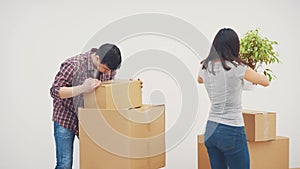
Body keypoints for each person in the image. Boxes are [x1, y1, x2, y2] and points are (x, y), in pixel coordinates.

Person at [197, 28, 270, 169]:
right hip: (231, 130)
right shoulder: (238, 68)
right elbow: (265, 82)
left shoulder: (205, 67)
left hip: (211, 129)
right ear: (234, 46)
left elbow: (200, 80)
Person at [50, 43, 122, 169]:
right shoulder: (73, 65)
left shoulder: (109, 68)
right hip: (66, 117)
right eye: (105, 69)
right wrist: (82, 88)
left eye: (111, 70)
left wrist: (132, 86)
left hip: (89, 118)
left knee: (97, 161)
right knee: (65, 164)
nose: (108, 72)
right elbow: (55, 91)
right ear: (98, 58)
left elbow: (109, 88)